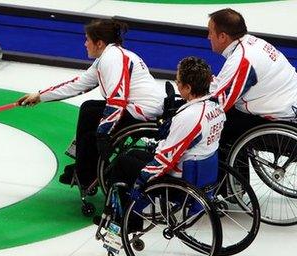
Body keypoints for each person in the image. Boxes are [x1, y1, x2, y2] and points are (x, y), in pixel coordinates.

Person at [17, 19, 166, 188]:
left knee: (91, 126)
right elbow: (78, 84)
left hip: (143, 111)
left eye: (88, 39)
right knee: (89, 107)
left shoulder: (112, 59)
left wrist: (103, 133)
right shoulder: (109, 56)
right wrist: (39, 96)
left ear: (99, 43)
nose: (85, 44)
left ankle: (86, 174)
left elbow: (117, 100)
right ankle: (84, 166)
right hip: (138, 106)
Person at [108, 57, 226, 210]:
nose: (176, 84)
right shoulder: (216, 108)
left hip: (180, 180)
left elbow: (167, 159)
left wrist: (143, 178)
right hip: (204, 169)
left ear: (188, 88)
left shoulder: (190, 116)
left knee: (122, 163)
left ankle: (124, 219)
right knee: (134, 154)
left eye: (178, 81)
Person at [207, 8, 297, 151]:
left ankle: (227, 173)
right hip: (288, 104)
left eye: (210, 32)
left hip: (283, 119)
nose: (208, 37)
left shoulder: (243, 59)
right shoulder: (253, 43)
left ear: (223, 36)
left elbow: (220, 103)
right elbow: (227, 84)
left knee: (216, 126)